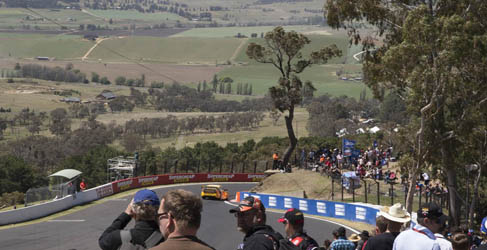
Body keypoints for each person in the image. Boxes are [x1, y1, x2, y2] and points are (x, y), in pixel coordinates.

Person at [99, 189, 163, 250]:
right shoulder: (167, 235)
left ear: (133, 211)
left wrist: (126, 214)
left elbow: (102, 240)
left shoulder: (120, 237)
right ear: (158, 210)